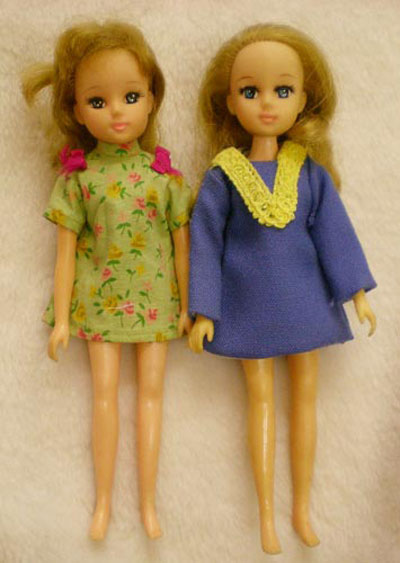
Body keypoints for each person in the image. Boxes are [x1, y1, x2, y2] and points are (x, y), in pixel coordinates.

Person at [188, 23, 376, 554]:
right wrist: (204, 309)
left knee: (305, 401)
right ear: (229, 102)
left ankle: (302, 509)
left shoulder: (309, 172)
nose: (267, 103)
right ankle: (267, 515)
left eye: (282, 90)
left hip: (305, 302)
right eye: (250, 91)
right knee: (260, 402)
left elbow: (334, 232)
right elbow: (205, 242)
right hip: (247, 306)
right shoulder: (224, 176)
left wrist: (356, 292)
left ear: (303, 100)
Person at [22, 20, 192, 541]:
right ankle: (102, 503)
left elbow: (183, 249)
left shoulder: (166, 180)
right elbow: (64, 257)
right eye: (98, 101)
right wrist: (61, 319)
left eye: (131, 96)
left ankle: (148, 504)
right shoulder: (78, 180)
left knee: (151, 397)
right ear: (76, 110)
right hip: (97, 301)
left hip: (158, 301)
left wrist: (190, 306)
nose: (117, 111)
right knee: (103, 396)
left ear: (152, 99)